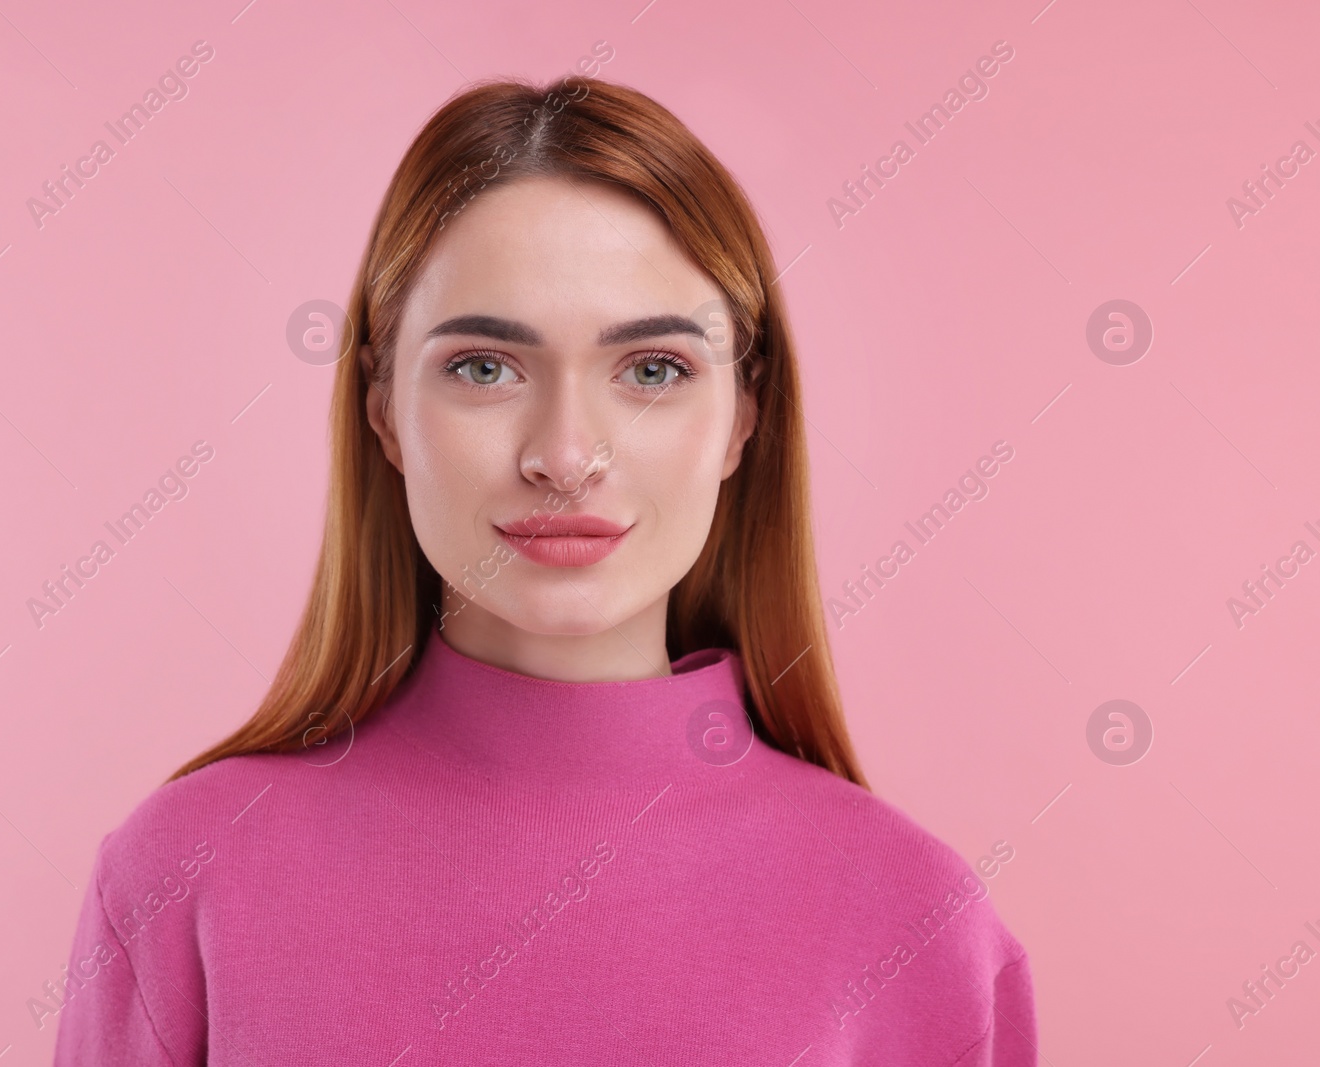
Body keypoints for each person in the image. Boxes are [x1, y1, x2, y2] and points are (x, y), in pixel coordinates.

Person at [51, 75, 1037, 1065]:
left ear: (743, 416)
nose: (566, 455)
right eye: (485, 366)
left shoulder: (919, 925)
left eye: (651, 369)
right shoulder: (182, 878)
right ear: (383, 409)